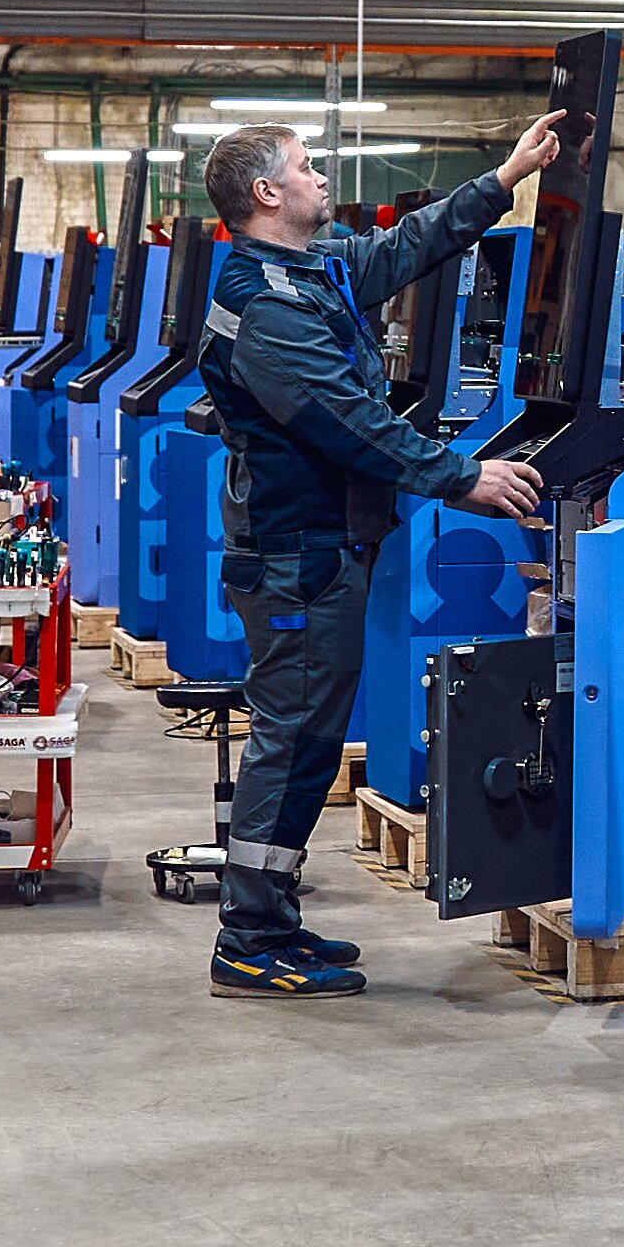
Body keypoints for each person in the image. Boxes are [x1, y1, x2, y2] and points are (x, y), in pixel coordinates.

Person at [186, 107, 563, 997]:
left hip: (320, 548)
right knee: (290, 743)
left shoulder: (308, 269)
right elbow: (350, 423)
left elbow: (400, 249)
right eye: (306, 166)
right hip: (298, 557)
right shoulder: (265, 307)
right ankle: (246, 937)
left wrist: (504, 179)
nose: (322, 177)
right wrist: (461, 477)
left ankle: (272, 918)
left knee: (309, 742)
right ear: (266, 191)